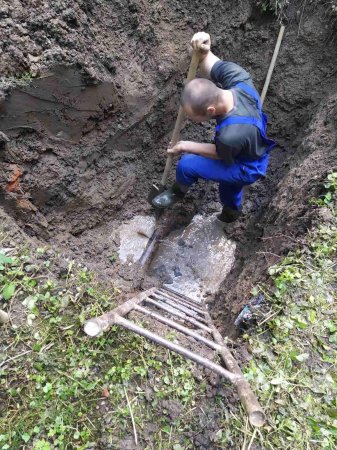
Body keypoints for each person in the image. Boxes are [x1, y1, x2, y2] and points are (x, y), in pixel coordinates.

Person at [152, 32, 276, 222]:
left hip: (247, 166)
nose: (192, 120)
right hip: (247, 142)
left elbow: (219, 153)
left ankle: (226, 209)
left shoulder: (230, 136)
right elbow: (212, 62)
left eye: (194, 117)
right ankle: (224, 206)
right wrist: (204, 51)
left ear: (210, 110)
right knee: (229, 186)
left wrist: (185, 145)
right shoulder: (238, 77)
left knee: (188, 165)